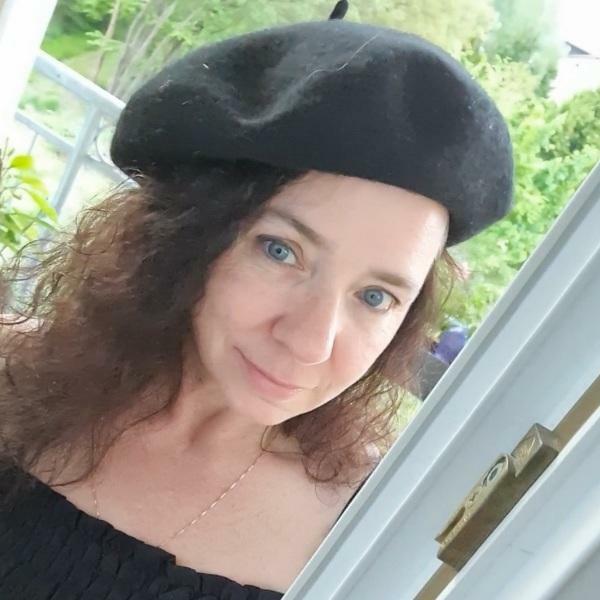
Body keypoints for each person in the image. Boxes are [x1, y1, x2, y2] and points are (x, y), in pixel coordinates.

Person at [0, 2, 513, 598]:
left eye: (375, 296)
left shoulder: (368, 542)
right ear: (186, 234)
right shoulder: (14, 375)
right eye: (281, 251)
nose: (310, 342)